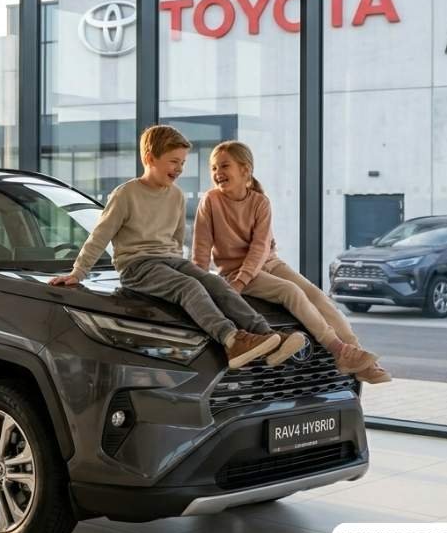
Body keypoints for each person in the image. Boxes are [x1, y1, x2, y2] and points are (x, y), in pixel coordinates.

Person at [48, 125, 306, 369]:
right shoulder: (126, 194)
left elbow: (176, 238)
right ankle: (232, 340)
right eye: (174, 161)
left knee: (215, 283)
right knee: (189, 287)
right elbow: (100, 235)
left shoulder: (176, 196)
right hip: (137, 266)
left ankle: (268, 336)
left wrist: (180, 265)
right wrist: (78, 272)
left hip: (169, 261)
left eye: (183, 162)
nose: (180, 168)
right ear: (150, 158)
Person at [192, 140, 390, 383]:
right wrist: (213, 285)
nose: (217, 173)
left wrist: (244, 280)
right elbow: (201, 251)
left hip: (268, 263)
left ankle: (359, 357)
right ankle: (339, 350)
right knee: (290, 292)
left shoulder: (260, 202)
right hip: (235, 271)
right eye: (213, 168)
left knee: (318, 297)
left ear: (245, 169)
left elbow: (260, 248)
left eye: (224, 166)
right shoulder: (210, 201)